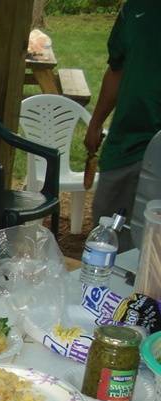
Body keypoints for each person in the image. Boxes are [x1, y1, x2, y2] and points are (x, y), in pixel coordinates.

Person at [84, 0, 161, 249]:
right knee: (108, 233)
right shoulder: (133, 9)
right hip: (126, 145)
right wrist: (96, 123)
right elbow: (116, 70)